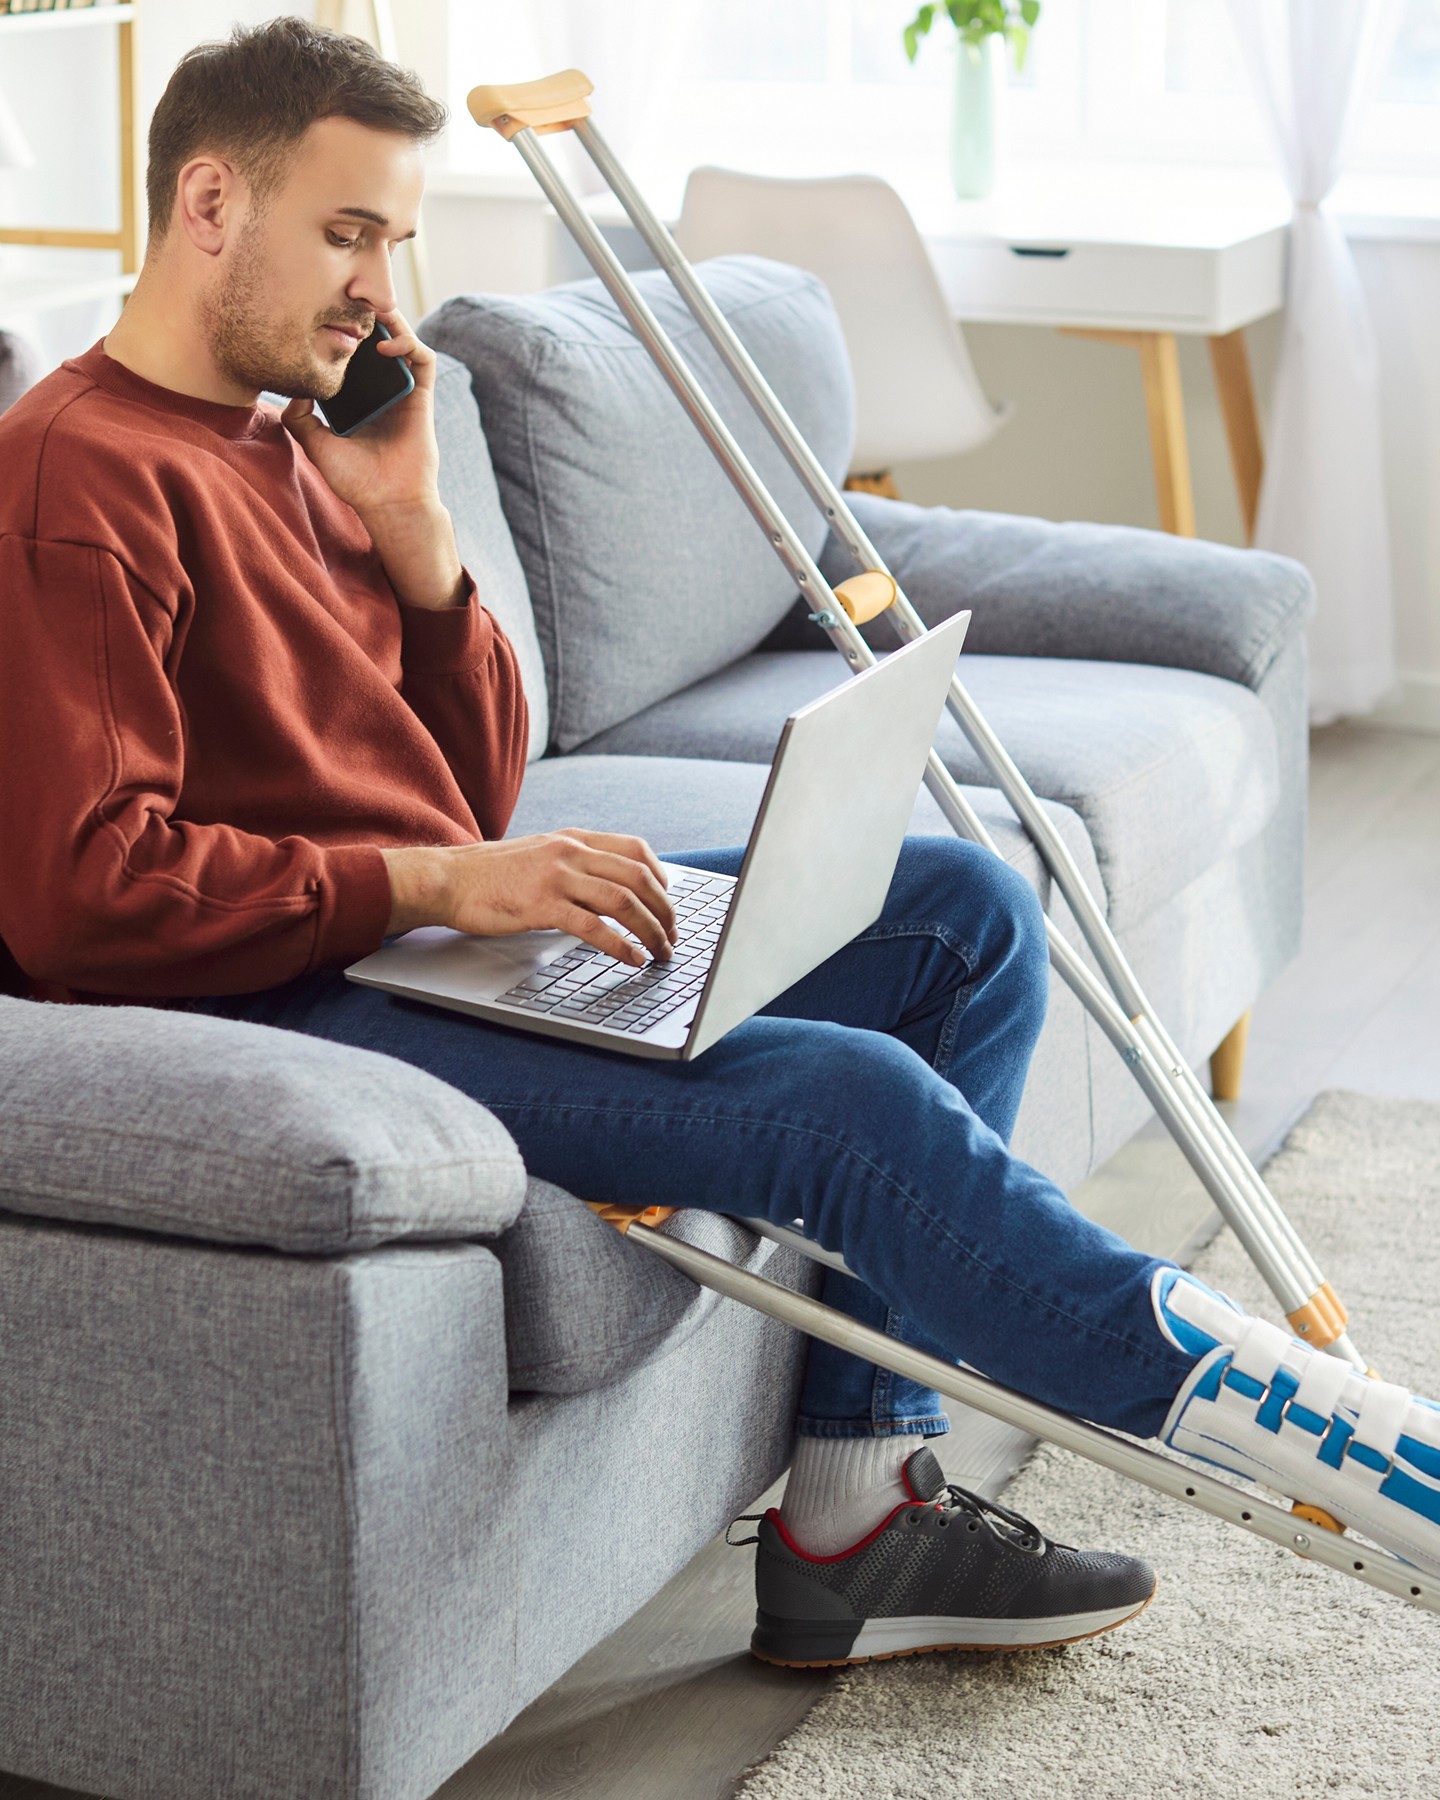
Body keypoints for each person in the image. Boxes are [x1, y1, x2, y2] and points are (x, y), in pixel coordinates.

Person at [2, 19, 1437, 1671]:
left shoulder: (298, 438)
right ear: (207, 204)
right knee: (846, 1103)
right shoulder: (75, 480)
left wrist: (414, 530)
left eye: (395, 240)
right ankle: (1306, 1428)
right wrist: (438, 884)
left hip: (427, 946)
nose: (380, 293)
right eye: (346, 234)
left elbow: (473, 788)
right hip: (285, 1007)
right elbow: (80, 896)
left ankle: (856, 1510)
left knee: (962, 914)